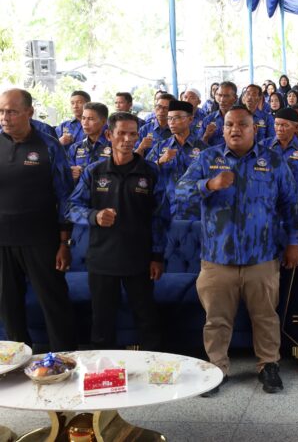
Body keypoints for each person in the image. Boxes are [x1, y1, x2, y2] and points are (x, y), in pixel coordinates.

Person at [176, 105, 298, 395]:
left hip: (262, 257)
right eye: (229, 124)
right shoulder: (208, 158)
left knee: (265, 316)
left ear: (253, 128)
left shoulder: (273, 160)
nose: (235, 129)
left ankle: (268, 365)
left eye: (242, 124)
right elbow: (180, 193)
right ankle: (216, 368)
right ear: (222, 129)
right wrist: (209, 184)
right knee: (216, 320)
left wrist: (293, 242)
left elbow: (290, 204)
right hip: (218, 258)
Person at [68, 111, 167, 351]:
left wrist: (157, 255)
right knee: (102, 322)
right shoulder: (94, 172)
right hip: (102, 258)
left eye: (133, 134)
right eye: (121, 133)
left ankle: (154, 365)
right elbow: (71, 208)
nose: (127, 139)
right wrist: (95, 216)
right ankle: (103, 367)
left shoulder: (150, 172)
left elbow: (161, 217)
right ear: (109, 135)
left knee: (147, 319)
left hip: (140, 258)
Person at [0, 88, 76, 351]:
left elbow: (65, 196)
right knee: (9, 307)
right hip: (3, 242)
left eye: (11, 111)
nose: (5, 117)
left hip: (41, 240)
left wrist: (64, 243)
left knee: (54, 305)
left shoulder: (49, 145)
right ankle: (18, 363)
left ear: (29, 112)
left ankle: (64, 360)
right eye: (1, 111)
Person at [146, 100, 207, 217]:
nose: (171, 122)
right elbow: (145, 172)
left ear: (190, 119)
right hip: (166, 210)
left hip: (195, 211)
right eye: (169, 118)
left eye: (177, 118)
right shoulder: (160, 147)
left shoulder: (203, 149)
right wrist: (160, 161)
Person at [266, 107, 298, 221]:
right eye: (276, 124)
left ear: (296, 127)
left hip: (294, 207)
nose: (279, 129)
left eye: (285, 125)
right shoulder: (264, 146)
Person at [68, 102, 111, 181]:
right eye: (83, 118)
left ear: (104, 121)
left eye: (90, 119)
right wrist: (72, 174)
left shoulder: (114, 146)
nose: (85, 123)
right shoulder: (75, 147)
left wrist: (83, 170)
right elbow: (67, 176)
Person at [201, 81, 237, 147]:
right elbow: (198, 148)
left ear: (235, 98)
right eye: (220, 95)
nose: (222, 100)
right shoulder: (208, 120)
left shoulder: (242, 119)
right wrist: (206, 136)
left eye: (226, 96)